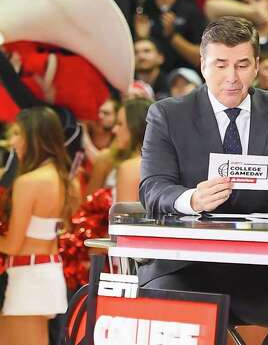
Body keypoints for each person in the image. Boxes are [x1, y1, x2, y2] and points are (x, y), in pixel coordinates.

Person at [139, 16, 268, 344]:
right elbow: (152, 188)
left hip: (255, 267)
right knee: (166, 304)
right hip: (183, 266)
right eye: (221, 65)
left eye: (242, 65)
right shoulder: (168, 114)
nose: (231, 78)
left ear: (256, 67)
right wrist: (192, 199)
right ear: (203, 64)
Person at [0, 107, 80, 345]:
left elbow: (13, 245)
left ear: (34, 138)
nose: (13, 141)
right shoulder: (67, 180)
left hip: (28, 278)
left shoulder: (28, 182)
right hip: (43, 273)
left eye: (18, 134)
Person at [87, 97, 153, 201]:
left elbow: (125, 217)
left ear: (135, 127)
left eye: (120, 124)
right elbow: (89, 204)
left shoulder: (129, 168)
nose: (114, 130)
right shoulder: (107, 159)